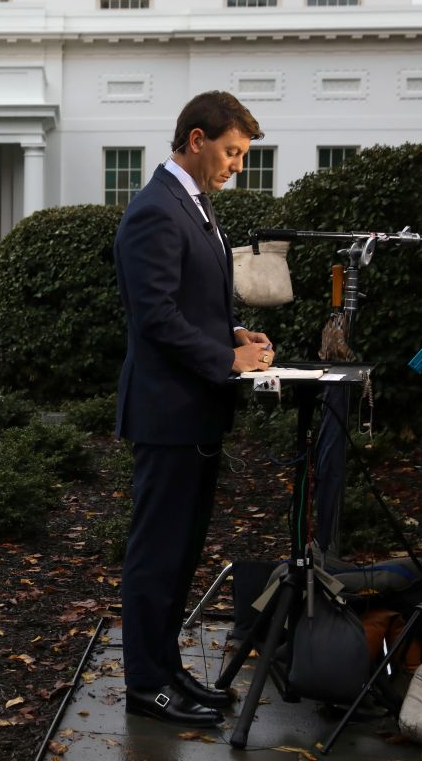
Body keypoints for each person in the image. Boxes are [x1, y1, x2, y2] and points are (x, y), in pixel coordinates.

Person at [113, 90, 274, 728]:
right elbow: (154, 316)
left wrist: (233, 337)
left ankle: (167, 669)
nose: (237, 164)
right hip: (167, 413)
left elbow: (195, 303)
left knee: (181, 554)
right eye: (232, 151)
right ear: (197, 139)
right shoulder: (156, 208)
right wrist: (226, 361)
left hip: (195, 410)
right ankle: (145, 686)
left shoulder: (197, 205)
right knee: (156, 555)